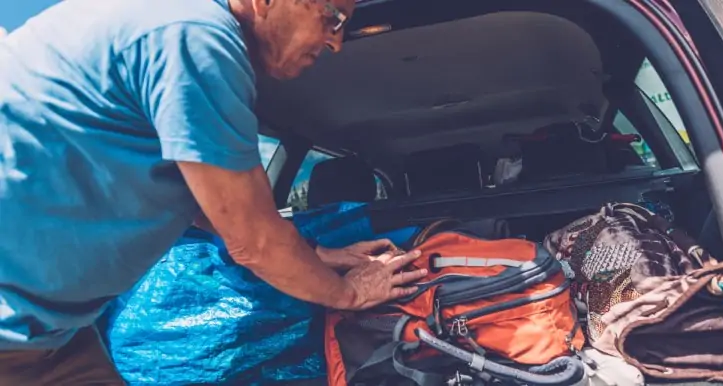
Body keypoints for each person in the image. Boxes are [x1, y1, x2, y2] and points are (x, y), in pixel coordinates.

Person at [0, 0, 428, 384]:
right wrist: (350, 293)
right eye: (332, 17)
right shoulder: (195, 35)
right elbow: (254, 241)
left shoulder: (175, 30)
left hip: (52, 334)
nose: (335, 42)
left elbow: (212, 209)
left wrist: (316, 254)